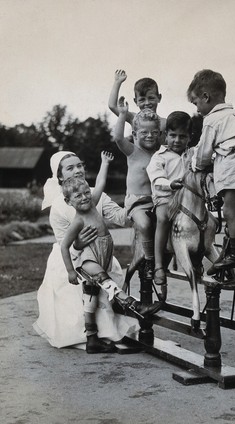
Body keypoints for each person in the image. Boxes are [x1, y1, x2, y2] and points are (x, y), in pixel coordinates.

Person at [33, 151, 146, 351]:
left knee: (97, 291)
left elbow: (120, 217)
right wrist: (77, 245)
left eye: (79, 165)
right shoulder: (60, 206)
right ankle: (91, 333)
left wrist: (133, 207)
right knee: (87, 292)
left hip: (101, 254)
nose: (77, 170)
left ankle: (103, 332)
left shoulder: (92, 194)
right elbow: (63, 243)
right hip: (75, 260)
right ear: (59, 176)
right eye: (70, 168)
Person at [60, 152, 159, 353]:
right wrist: (71, 271)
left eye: (86, 193)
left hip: (103, 254)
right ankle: (133, 304)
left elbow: (101, 182)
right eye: (78, 196)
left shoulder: (94, 203)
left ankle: (92, 339)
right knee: (103, 279)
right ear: (68, 201)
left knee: (91, 296)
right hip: (88, 258)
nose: (84, 198)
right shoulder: (78, 220)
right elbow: (64, 246)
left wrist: (105, 163)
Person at [187, 69, 235, 271]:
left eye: (196, 103)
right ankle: (229, 251)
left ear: (206, 97)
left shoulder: (211, 120)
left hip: (234, 164)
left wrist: (196, 165)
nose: (197, 109)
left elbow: (204, 152)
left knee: (229, 212)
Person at [113, 97, 161, 279]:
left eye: (154, 132)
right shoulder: (133, 152)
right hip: (137, 202)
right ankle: (149, 260)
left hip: (155, 201)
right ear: (134, 133)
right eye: (144, 132)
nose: (149, 136)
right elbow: (117, 137)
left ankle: (164, 258)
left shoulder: (159, 153)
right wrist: (123, 114)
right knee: (145, 224)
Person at [146, 111, 194, 285]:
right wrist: (170, 184)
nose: (177, 140)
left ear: (190, 137)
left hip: (187, 200)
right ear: (166, 135)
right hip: (165, 197)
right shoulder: (159, 157)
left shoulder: (192, 155)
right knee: (164, 218)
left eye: (182, 136)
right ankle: (158, 265)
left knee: (203, 219)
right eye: (173, 135)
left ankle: (197, 258)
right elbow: (156, 178)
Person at [108, 69, 166, 143]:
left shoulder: (165, 123)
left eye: (151, 98)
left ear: (159, 98)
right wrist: (117, 82)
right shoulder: (134, 118)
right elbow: (112, 106)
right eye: (142, 100)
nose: (147, 103)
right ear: (136, 101)